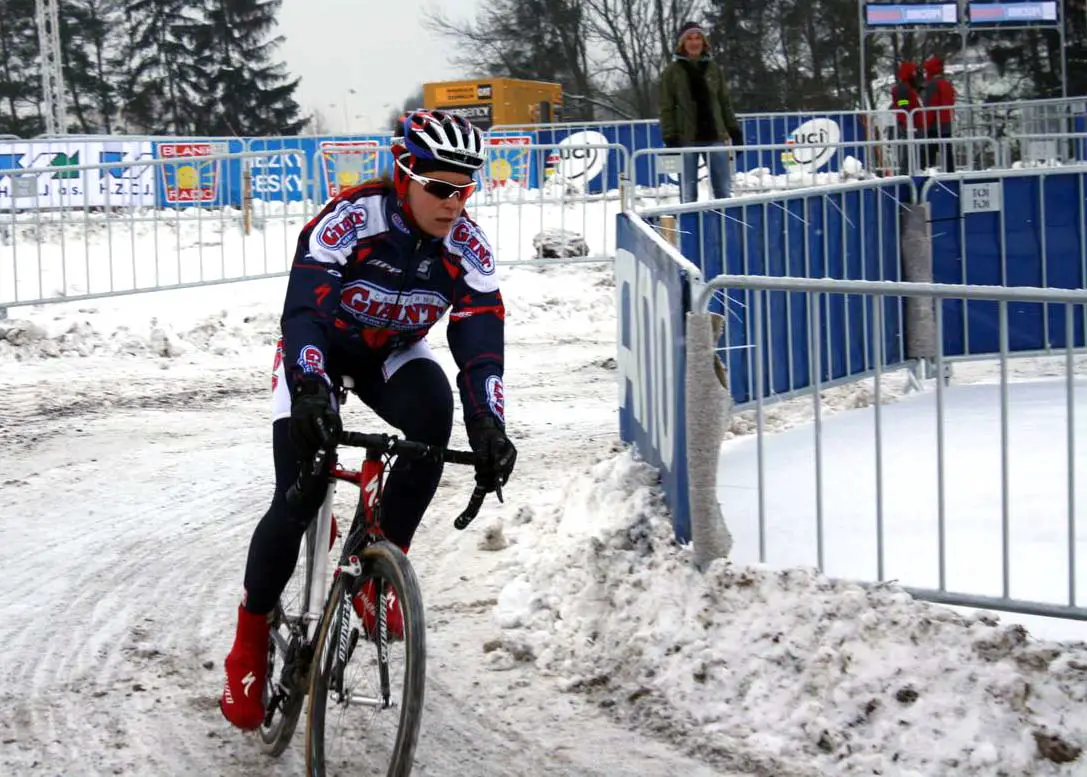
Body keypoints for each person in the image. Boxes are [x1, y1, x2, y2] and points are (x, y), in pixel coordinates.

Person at [219, 109, 518, 731]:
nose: (454, 202)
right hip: (320, 349)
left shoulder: (468, 245)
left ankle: (371, 567)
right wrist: (308, 392)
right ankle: (247, 643)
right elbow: (302, 310)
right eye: (440, 186)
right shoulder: (353, 219)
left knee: (433, 421)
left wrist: (490, 427)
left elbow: (481, 340)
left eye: (466, 187)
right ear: (404, 175)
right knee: (299, 491)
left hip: (392, 353)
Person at [659, 20, 743, 203]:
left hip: (715, 137)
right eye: (689, 38)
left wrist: (734, 130)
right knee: (688, 193)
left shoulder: (714, 69)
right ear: (682, 43)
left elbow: (724, 102)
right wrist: (670, 137)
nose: (694, 42)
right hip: (686, 139)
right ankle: (690, 230)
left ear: (704, 42)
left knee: (723, 191)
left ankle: (724, 228)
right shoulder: (671, 72)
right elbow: (666, 108)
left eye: (698, 38)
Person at [922, 55, 956, 172]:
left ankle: (926, 172)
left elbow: (930, 105)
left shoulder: (932, 85)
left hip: (934, 123)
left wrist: (924, 123)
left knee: (929, 151)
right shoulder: (946, 84)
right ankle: (950, 172)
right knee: (946, 150)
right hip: (946, 122)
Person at [889, 61, 923, 173]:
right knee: (909, 150)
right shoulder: (904, 89)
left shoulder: (906, 87)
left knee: (911, 150)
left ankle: (908, 170)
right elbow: (904, 106)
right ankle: (906, 172)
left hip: (910, 123)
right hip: (909, 124)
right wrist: (907, 122)